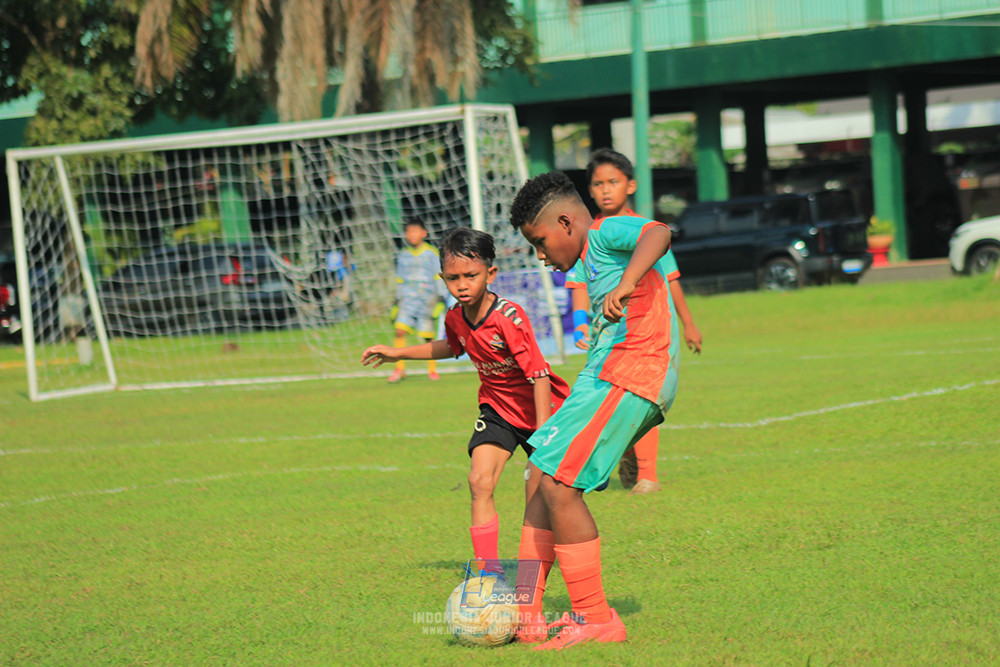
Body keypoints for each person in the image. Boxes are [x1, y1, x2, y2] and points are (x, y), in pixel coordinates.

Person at [509, 171, 680, 650]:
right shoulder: (584, 259)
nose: (541, 257)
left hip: (634, 371)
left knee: (561, 486)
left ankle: (597, 619)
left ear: (566, 221)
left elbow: (658, 233)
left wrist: (627, 283)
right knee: (538, 475)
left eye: (540, 243)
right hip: (601, 373)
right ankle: (527, 612)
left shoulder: (605, 232)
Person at [361, 228, 570, 607]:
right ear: (442, 279)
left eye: (470, 276)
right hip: (497, 411)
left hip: (544, 414)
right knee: (479, 480)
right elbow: (450, 346)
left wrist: (543, 434)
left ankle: (530, 590)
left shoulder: (509, 317)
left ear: (490, 275)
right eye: (453, 278)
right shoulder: (456, 317)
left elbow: (539, 375)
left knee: (539, 503)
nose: (461, 285)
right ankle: (490, 574)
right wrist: (399, 353)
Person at [567, 148, 702, 495]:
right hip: (606, 335)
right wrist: (581, 322)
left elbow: (671, 281)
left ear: (631, 185)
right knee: (610, 400)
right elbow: (580, 283)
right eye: (598, 184)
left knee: (642, 394)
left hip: (647, 332)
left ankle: (648, 476)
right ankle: (625, 454)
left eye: (613, 181)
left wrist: (689, 324)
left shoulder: (643, 232)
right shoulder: (590, 236)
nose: (605, 190)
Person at [387, 219, 447, 383]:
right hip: (407, 300)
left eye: (415, 231)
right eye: (409, 232)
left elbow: (438, 276)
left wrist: (440, 298)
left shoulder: (431, 253)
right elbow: (400, 279)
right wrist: (397, 301)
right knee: (399, 330)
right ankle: (400, 369)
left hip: (426, 300)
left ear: (423, 233)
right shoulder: (403, 255)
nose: (412, 235)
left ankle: (432, 370)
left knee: (427, 336)